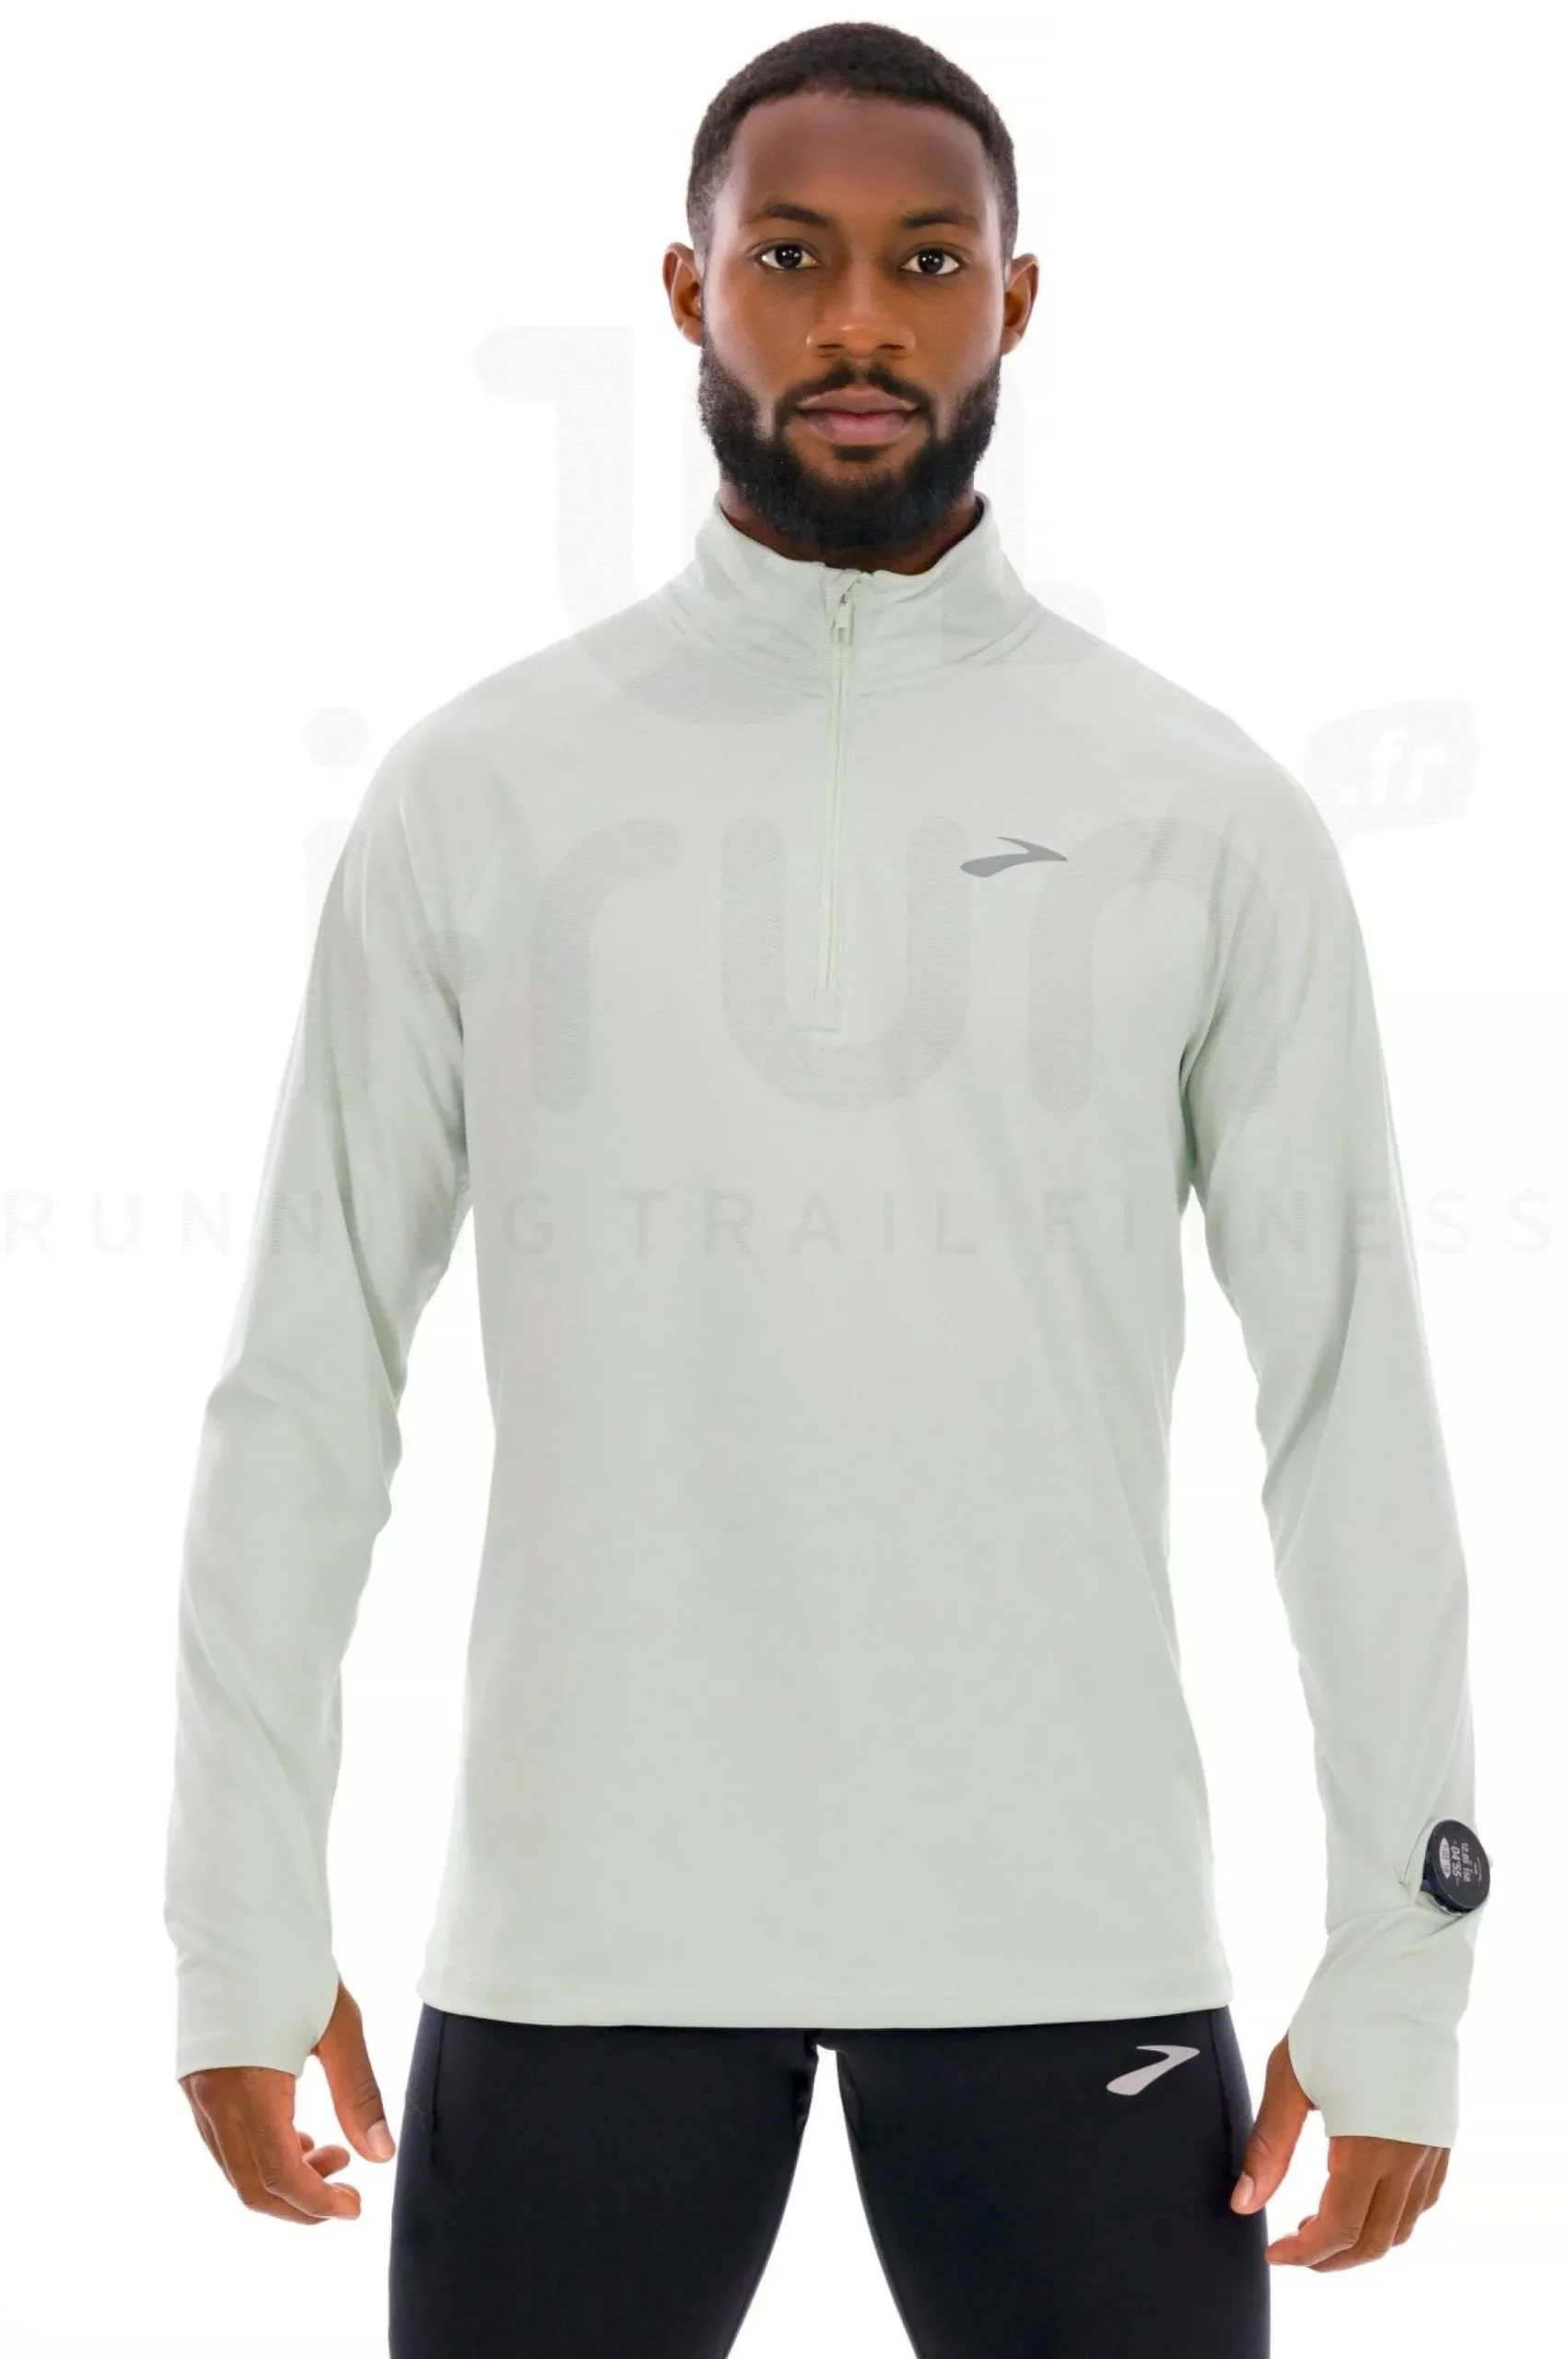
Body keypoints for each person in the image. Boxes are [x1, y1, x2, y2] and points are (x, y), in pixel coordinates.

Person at [164, 21, 1491, 2356]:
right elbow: (305, 1383)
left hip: (1063, 1937)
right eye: (789, 257)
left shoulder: (1196, 809)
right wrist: (237, 1921)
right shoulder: (484, 792)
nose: (857, 319)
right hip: (582, 1939)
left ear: (1013, 299)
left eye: (923, 261)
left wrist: (1407, 1952)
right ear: (688, 291)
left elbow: (1346, 1408)